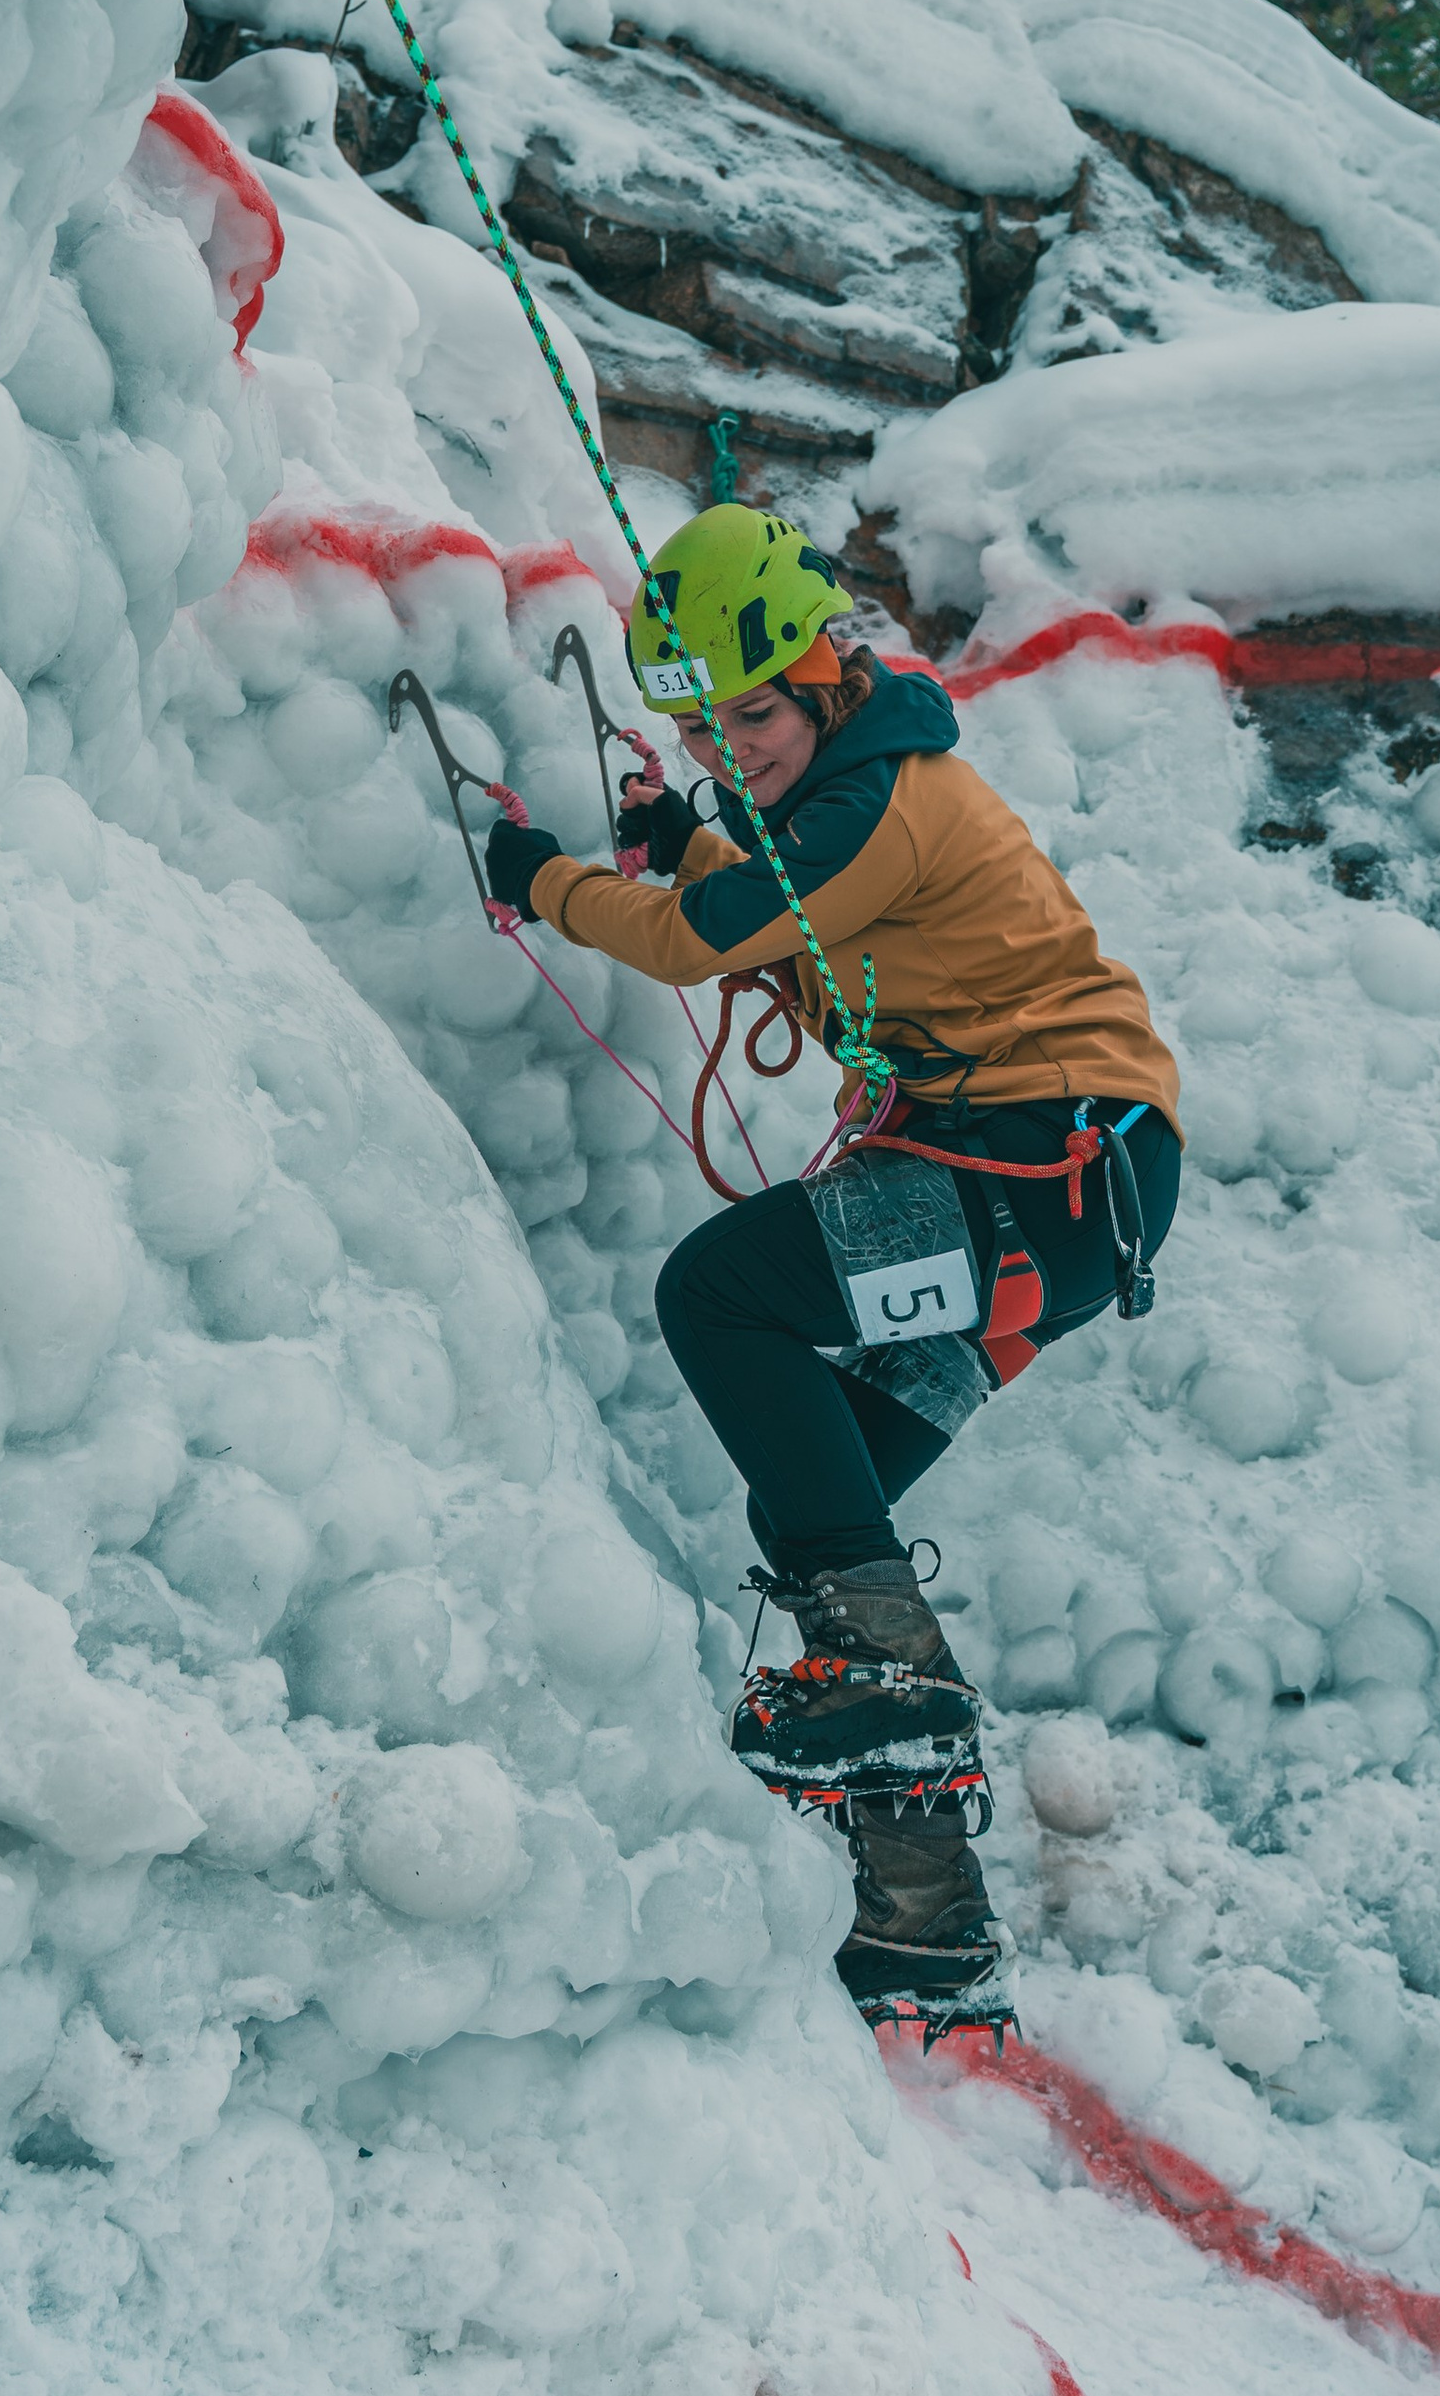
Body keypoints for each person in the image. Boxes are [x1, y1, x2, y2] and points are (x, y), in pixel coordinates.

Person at [484, 503, 1182, 2034]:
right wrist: (700, 844)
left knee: (719, 1296)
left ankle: (902, 1710)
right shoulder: (846, 811)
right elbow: (807, 946)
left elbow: (703, 943)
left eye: (755, 715)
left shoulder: (887, 798)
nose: (740, 746)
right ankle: (928, 1924)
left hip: (1045, 1168)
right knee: (822, 1511)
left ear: (824, 678)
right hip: (1060, 1215)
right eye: (712, 729)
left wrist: (537, 876)